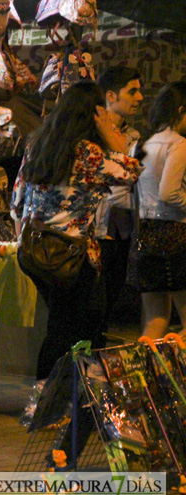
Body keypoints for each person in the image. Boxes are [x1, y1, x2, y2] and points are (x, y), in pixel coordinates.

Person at [11, 81, 142, 382]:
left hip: (34, 250)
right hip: (70, 257)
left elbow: (16, 203)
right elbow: (131, 173)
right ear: (94, 114)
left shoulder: (37, 144)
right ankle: (54, 399)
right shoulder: (89, 152)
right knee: (80, 327)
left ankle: (56, 396)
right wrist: (116, 143)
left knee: (62, 323)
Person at [127, 82, 186, 338]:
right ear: (181, 110)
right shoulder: (179, 144)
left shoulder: (141, 146)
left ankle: (146, 376)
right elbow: (169, 192)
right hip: (177, 235)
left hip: (146, 236)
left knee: (155, 320)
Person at [94, 66, 144, 332]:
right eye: (132, 91)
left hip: (121, 230)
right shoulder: (90, 132)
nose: (140, 98)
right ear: (111, 95)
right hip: (92, 229)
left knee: (110, 298)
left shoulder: (134, 136)